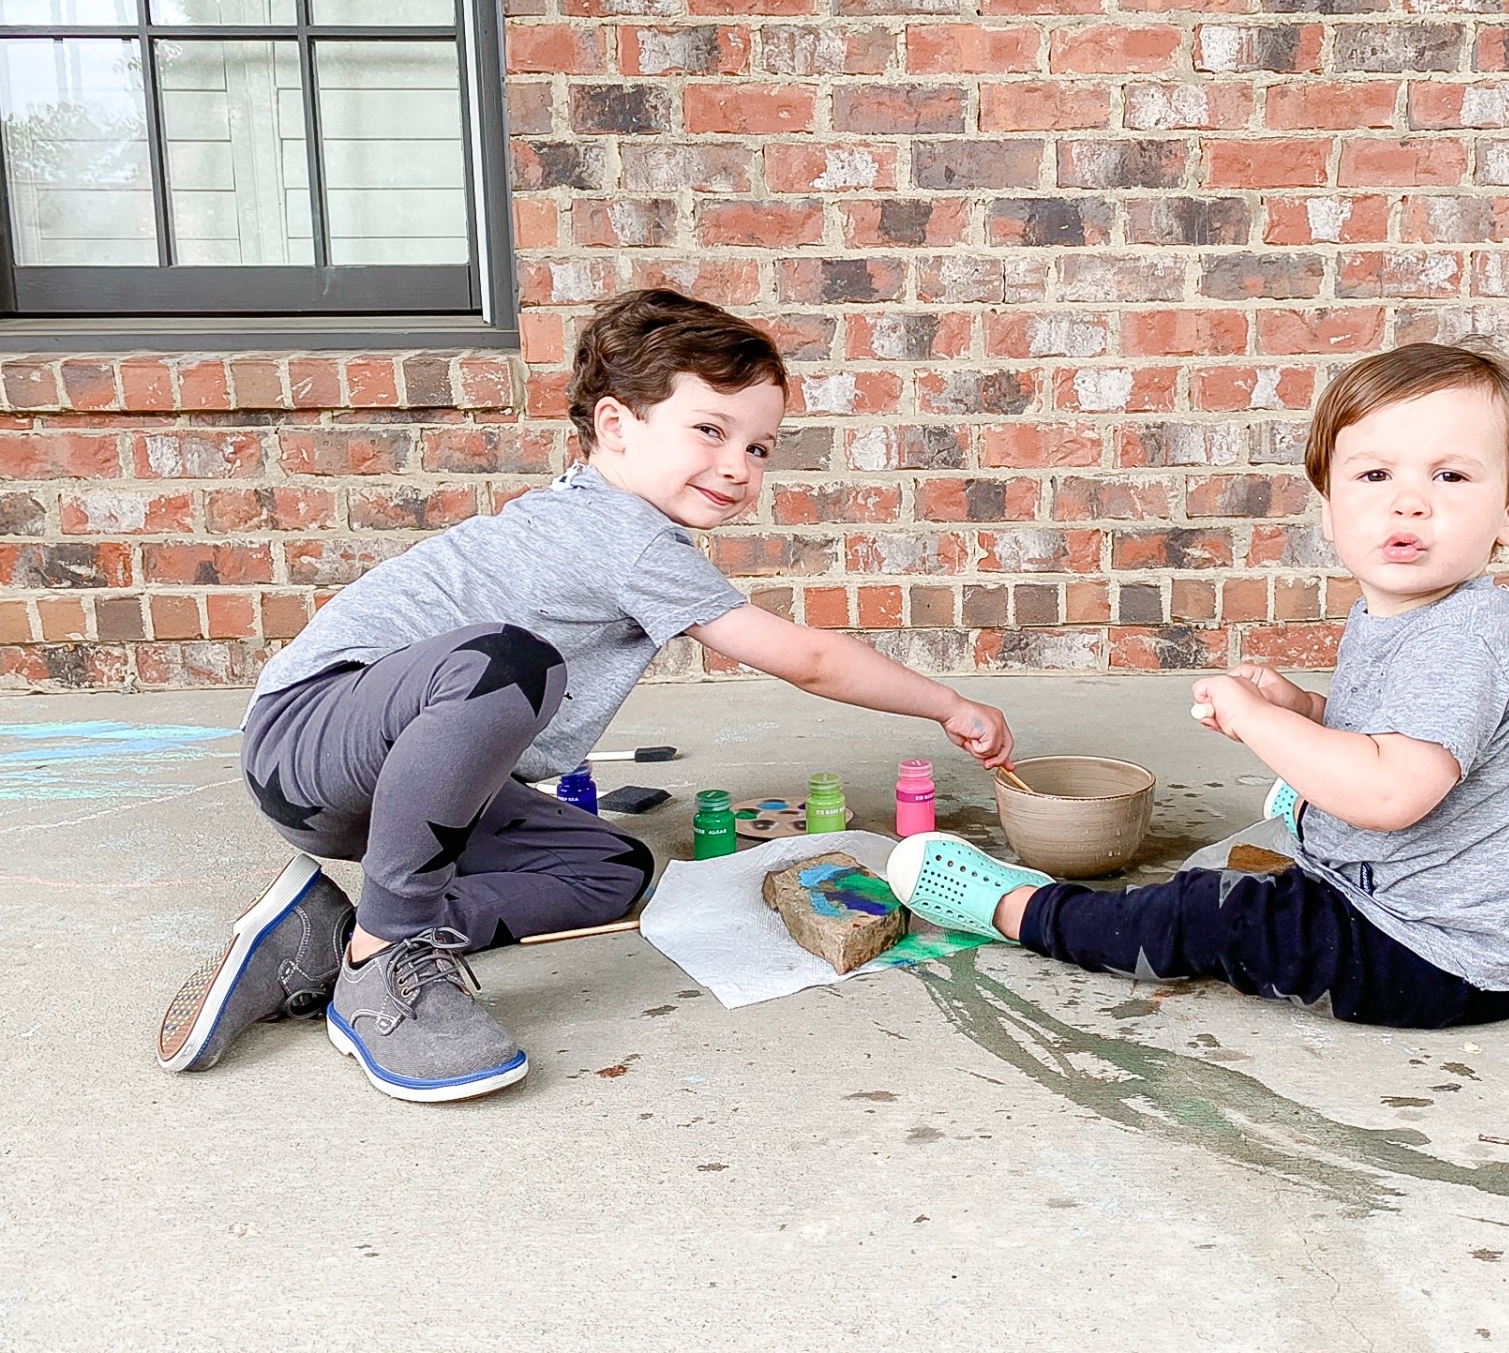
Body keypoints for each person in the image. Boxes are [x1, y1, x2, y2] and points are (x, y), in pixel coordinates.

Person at [158, 288, 1014, 1101]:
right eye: (709, 430)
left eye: (757, 447)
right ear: (615, 425)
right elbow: (809, 659)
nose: (737, 465)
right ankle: (386, 958)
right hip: (310, 742)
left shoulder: (612, 525)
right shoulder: (622, 536)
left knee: (609, 868)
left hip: (396, 776)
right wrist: (945, 703)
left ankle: (326, 941)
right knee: (513, 663)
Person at [886, 340, 1509, 1029]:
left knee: (1214, 912)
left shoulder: (1456, 644)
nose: (1410, 503)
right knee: (1326, 784)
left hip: (1439, 957)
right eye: (1376, 476)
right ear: (1328, 508)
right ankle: (1319, 802)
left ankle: (1025, 911)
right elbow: (1389, 723)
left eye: (1451, 477)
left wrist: (1260, 723)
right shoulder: (1415, 612)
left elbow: (1390, 792)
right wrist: (1306, 710)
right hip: (1487, 910)